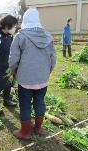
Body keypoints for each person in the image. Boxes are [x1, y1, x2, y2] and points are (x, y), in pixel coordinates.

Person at [9, 8, 56, 140]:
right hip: (43, 79)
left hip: (26, 79)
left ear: (25, 20)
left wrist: (13, 71)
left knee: (25, 104)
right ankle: (38, 127)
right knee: (40, 102)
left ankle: (25, 132)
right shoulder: (48, 36)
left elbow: (13, 59)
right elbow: (53, 59)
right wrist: (47, 73)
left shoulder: (20, 36)